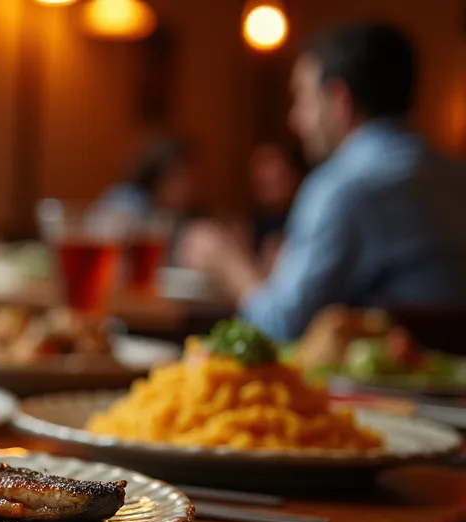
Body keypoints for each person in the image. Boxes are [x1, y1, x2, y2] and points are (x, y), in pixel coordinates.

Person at [178, 22, 466, 341]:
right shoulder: (454, 174)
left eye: (303, 99)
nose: (295, 118)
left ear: (341, 101)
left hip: (376, 389)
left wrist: (228, 262)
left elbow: (281, 328)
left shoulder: (345, 185)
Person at [95, 137, 201, 227]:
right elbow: (103, 239)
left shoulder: (179, 213)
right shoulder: (127, 202)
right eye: (181, 178)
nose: (190, 187)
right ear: (157, 177)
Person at [247, 142, 306, 271]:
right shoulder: (250, 226)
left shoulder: (306, 217)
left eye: (276, 180)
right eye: (263, 183)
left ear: (292, 176)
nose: (269, 189)